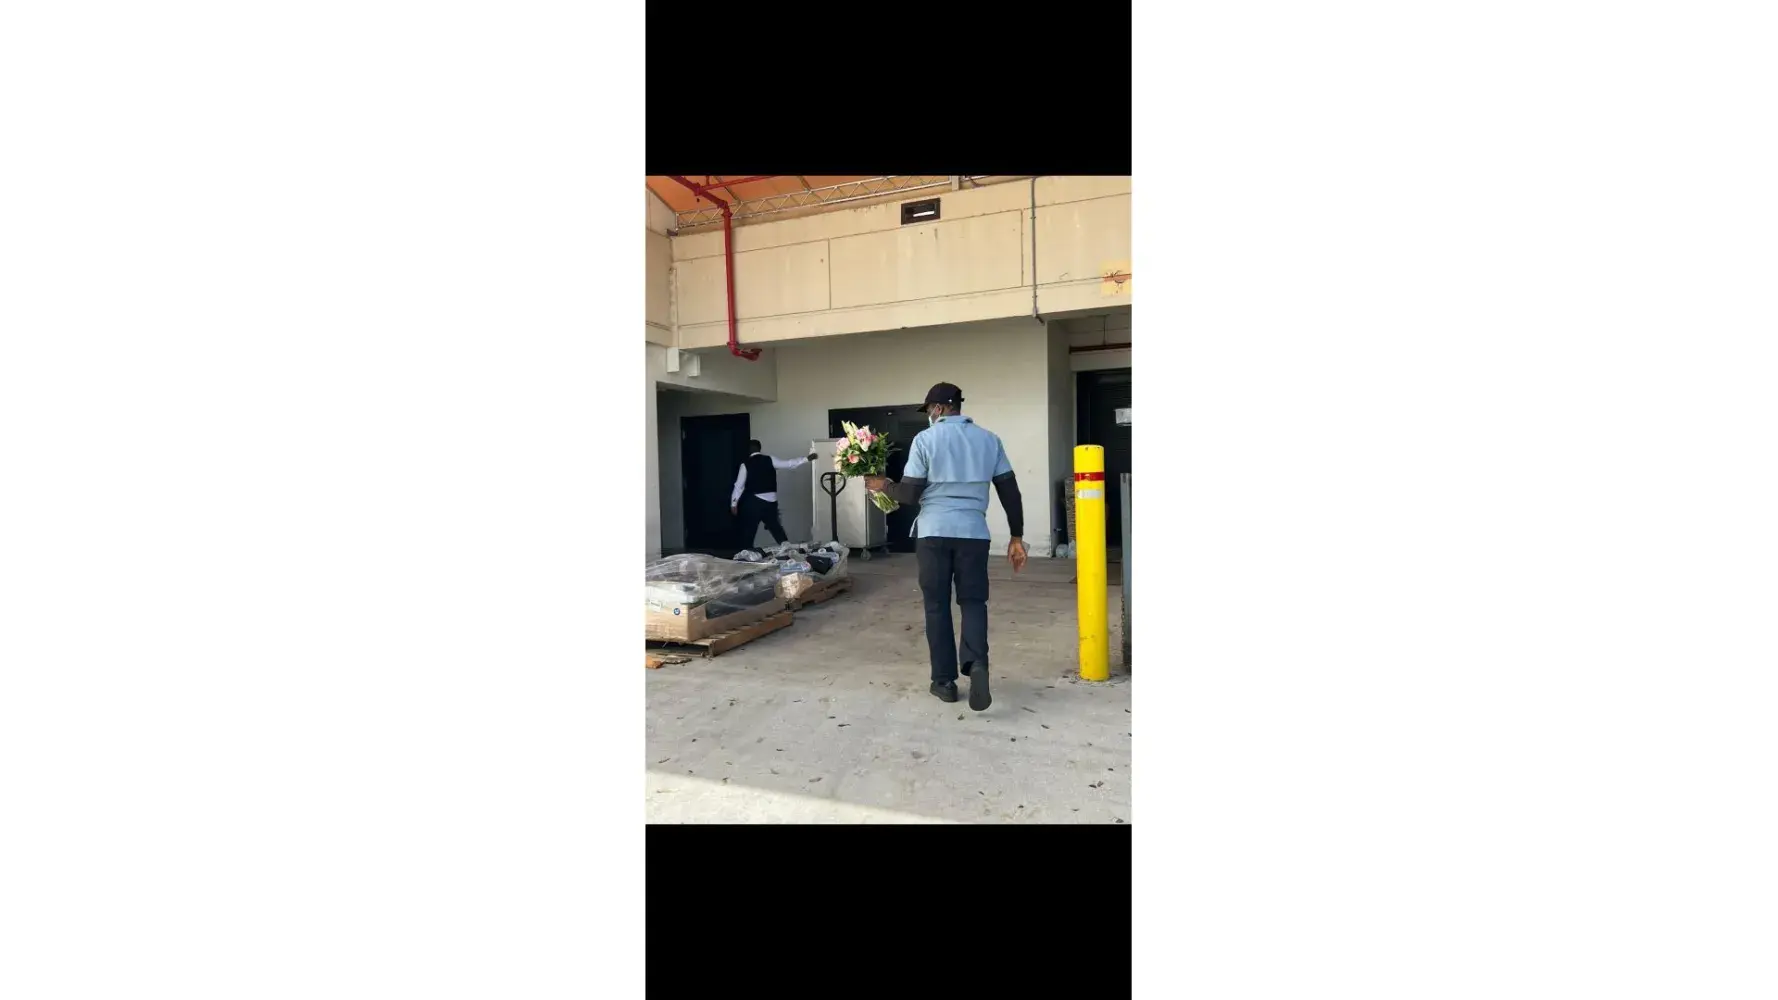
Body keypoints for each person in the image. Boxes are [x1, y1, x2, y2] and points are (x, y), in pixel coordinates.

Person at [865, 382, 1026, 710]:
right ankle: (977, 664)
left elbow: (910, 494)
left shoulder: (925, 440)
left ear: (938, 408)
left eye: (929, 409)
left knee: (937, 606)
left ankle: (944, 682)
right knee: (973, 602)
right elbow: (1009, 491)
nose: (929, 415)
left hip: (934, 534)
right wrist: (1016, 536)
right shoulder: (990, 440)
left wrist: (884, 485)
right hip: (974, 534)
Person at [732, 440, 818, 551]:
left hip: (754, 502)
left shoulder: (745, 464)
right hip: (771, 502)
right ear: (759, 448)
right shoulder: (770, 459)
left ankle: (746, 553)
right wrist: (806, 459)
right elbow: (788, 464)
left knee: (749, 530)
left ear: (748, 450)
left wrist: (733, 504)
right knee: (776, 528)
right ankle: (787, 548)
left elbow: (739, 486)